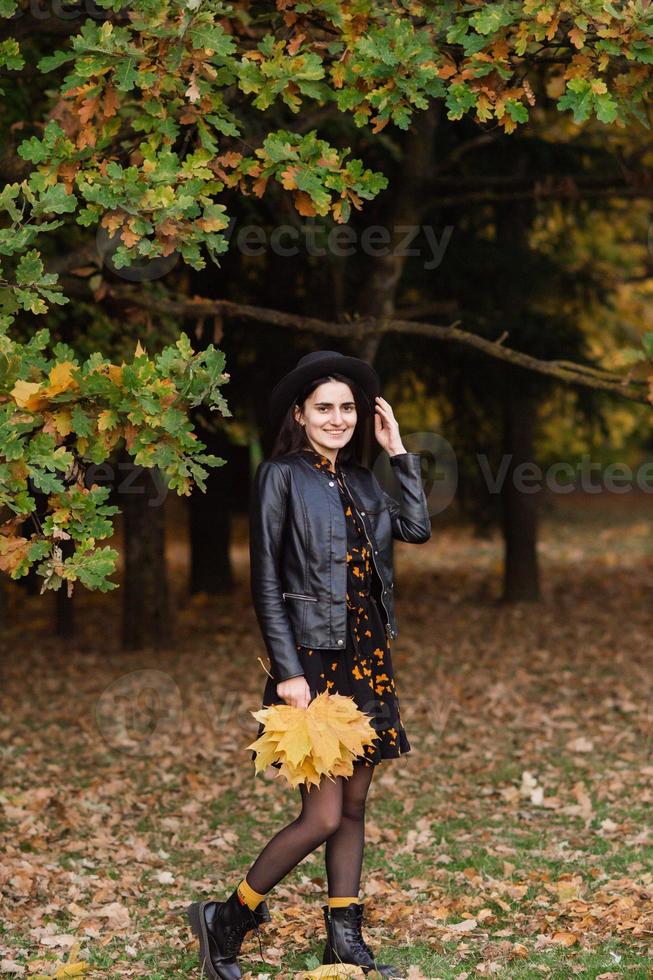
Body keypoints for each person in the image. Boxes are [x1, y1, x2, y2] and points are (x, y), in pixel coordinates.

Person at [184, 350, 432, 980]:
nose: (338, 418)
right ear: (300, 413)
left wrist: (398, 450)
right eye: (324, 407)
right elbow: (266, 579)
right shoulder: (280, 476)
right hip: (312, 662)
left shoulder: (366, 479)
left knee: (352, 808)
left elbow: (417, 529)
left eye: (347, 408)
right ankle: (227, 917)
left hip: (367, 658)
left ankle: (343, 936)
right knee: (321, 814)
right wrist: (287, 670)